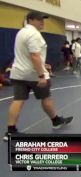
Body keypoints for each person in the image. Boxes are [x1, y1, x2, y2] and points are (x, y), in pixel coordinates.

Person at [3, 11, 73, 141]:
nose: (42, 22)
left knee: (18, 100)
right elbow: (34, 56)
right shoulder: (34, 34)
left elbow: (29, 55)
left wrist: (42, 63)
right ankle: (56, 121)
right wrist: (41, 75)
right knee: (46, 98)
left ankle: (10, 131)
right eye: (39, 19)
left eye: (43, 19)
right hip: (34, 74)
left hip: (19, 73)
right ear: (30, 20)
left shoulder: (21, 32)